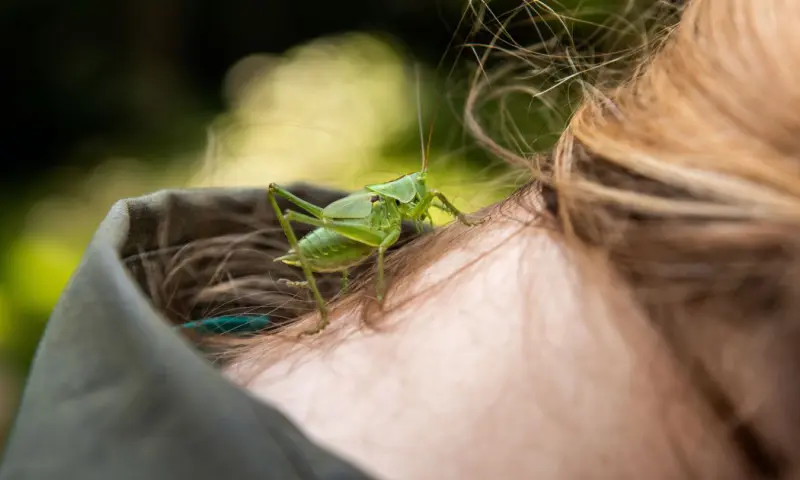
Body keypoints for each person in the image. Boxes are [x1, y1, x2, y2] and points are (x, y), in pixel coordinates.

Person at [2, 0, 799, 478]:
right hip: (328, 247)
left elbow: (432, 202)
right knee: (342, 236)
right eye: (415, 194)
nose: (424, 198)